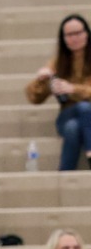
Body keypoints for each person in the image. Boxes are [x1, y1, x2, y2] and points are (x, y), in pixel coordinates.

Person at [28, 14, 91, 172]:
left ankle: (64, 174)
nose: (74, 38)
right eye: (69, 35)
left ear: (86, 33)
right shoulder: (58, 61)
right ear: (63, 38)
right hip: (67, 113)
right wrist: (43, 81)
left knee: (73, 127)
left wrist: (73, 89)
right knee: (82, 110)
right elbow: (33, 97)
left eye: (78, 33)